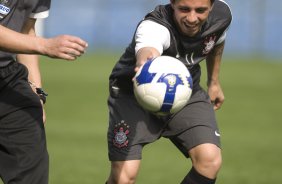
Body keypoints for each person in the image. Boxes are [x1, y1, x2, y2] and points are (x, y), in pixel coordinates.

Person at [106, 0, 232, 183]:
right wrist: (145, 64)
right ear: (172, 3)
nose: (191, 18)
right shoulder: (154, 26)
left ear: (211, 7)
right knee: (123, 178)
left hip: (185, 91)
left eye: (200, 10)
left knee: (209, 160)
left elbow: (216, 41)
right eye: (184, 9)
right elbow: (148, 49)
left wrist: (213, 82)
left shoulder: (222, 15)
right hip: (132, 94)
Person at [0, 0, 88, 183]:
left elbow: (26, 30)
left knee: (32, 169)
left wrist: (37, 92)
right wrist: (44, 45)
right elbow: (34, 43)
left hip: (7, 77)